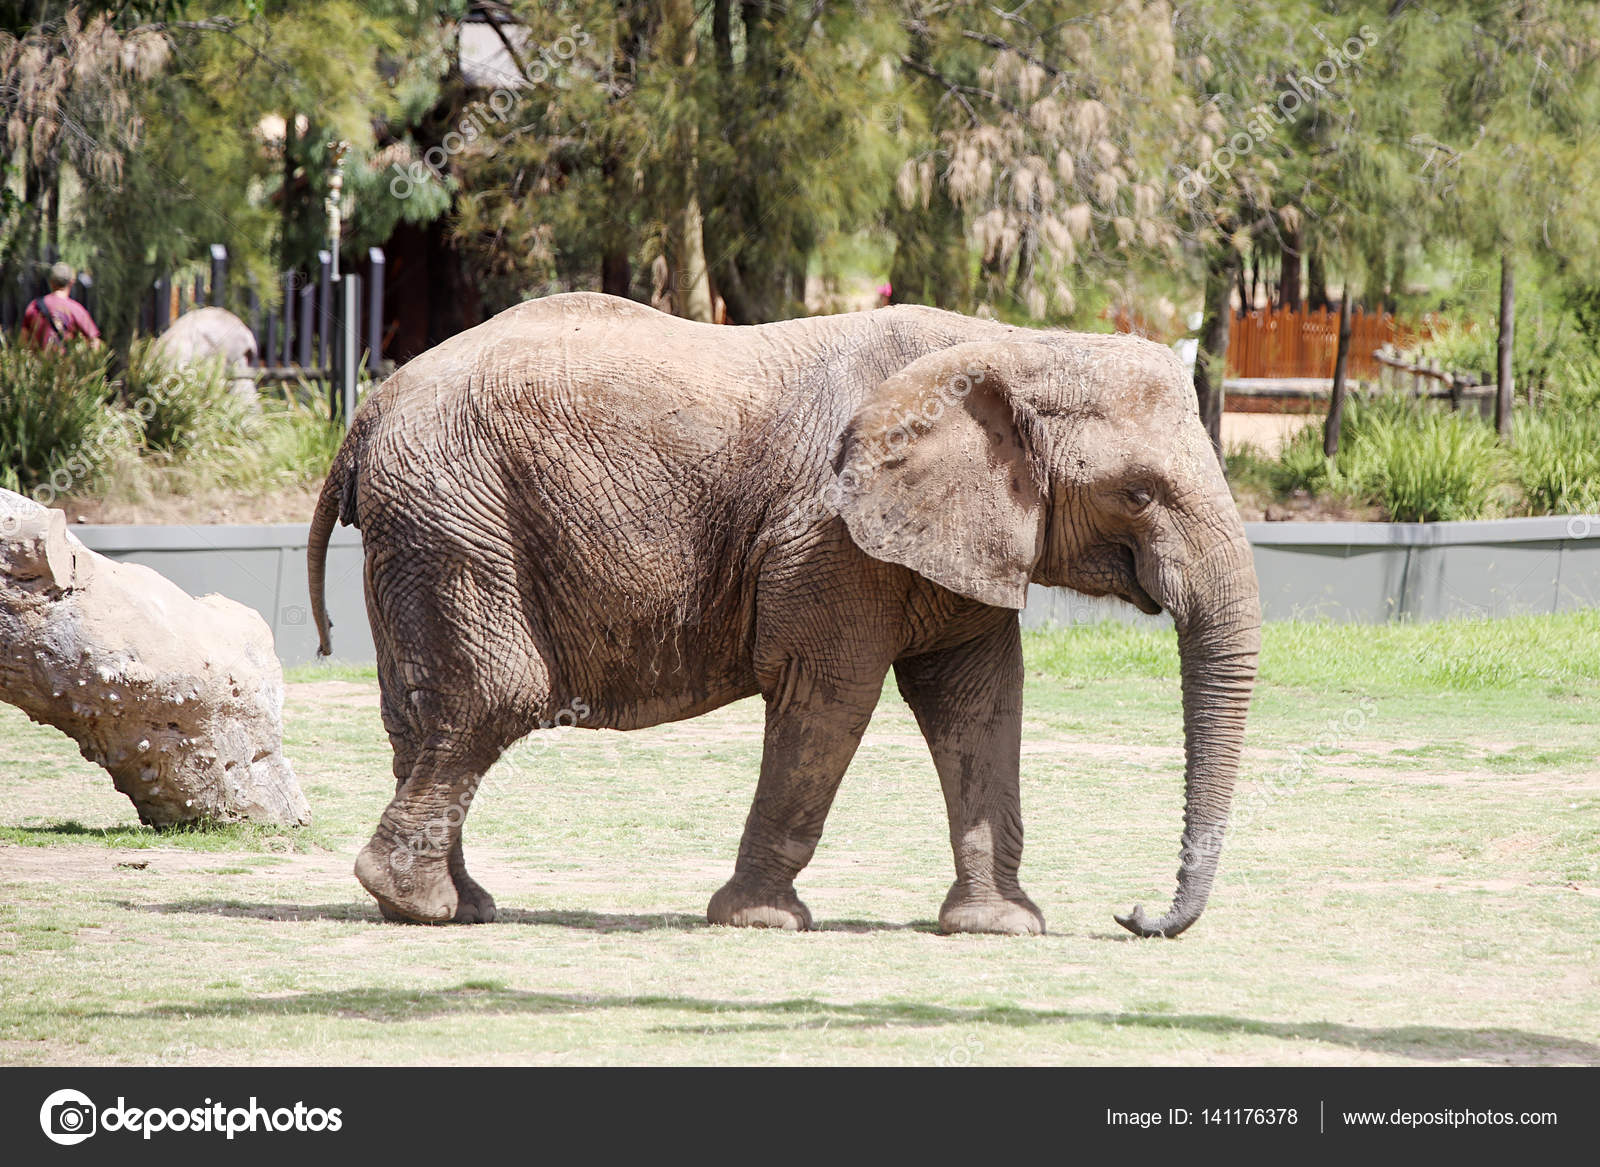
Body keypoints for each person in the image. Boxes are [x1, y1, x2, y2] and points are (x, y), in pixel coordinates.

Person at [22, 262, 101, 349]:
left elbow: (23, 340)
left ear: (51, 282)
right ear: (71, 282)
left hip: (38, 357)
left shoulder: (34, 306)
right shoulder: (76, 309)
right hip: (64, 358)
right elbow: (94, 341)